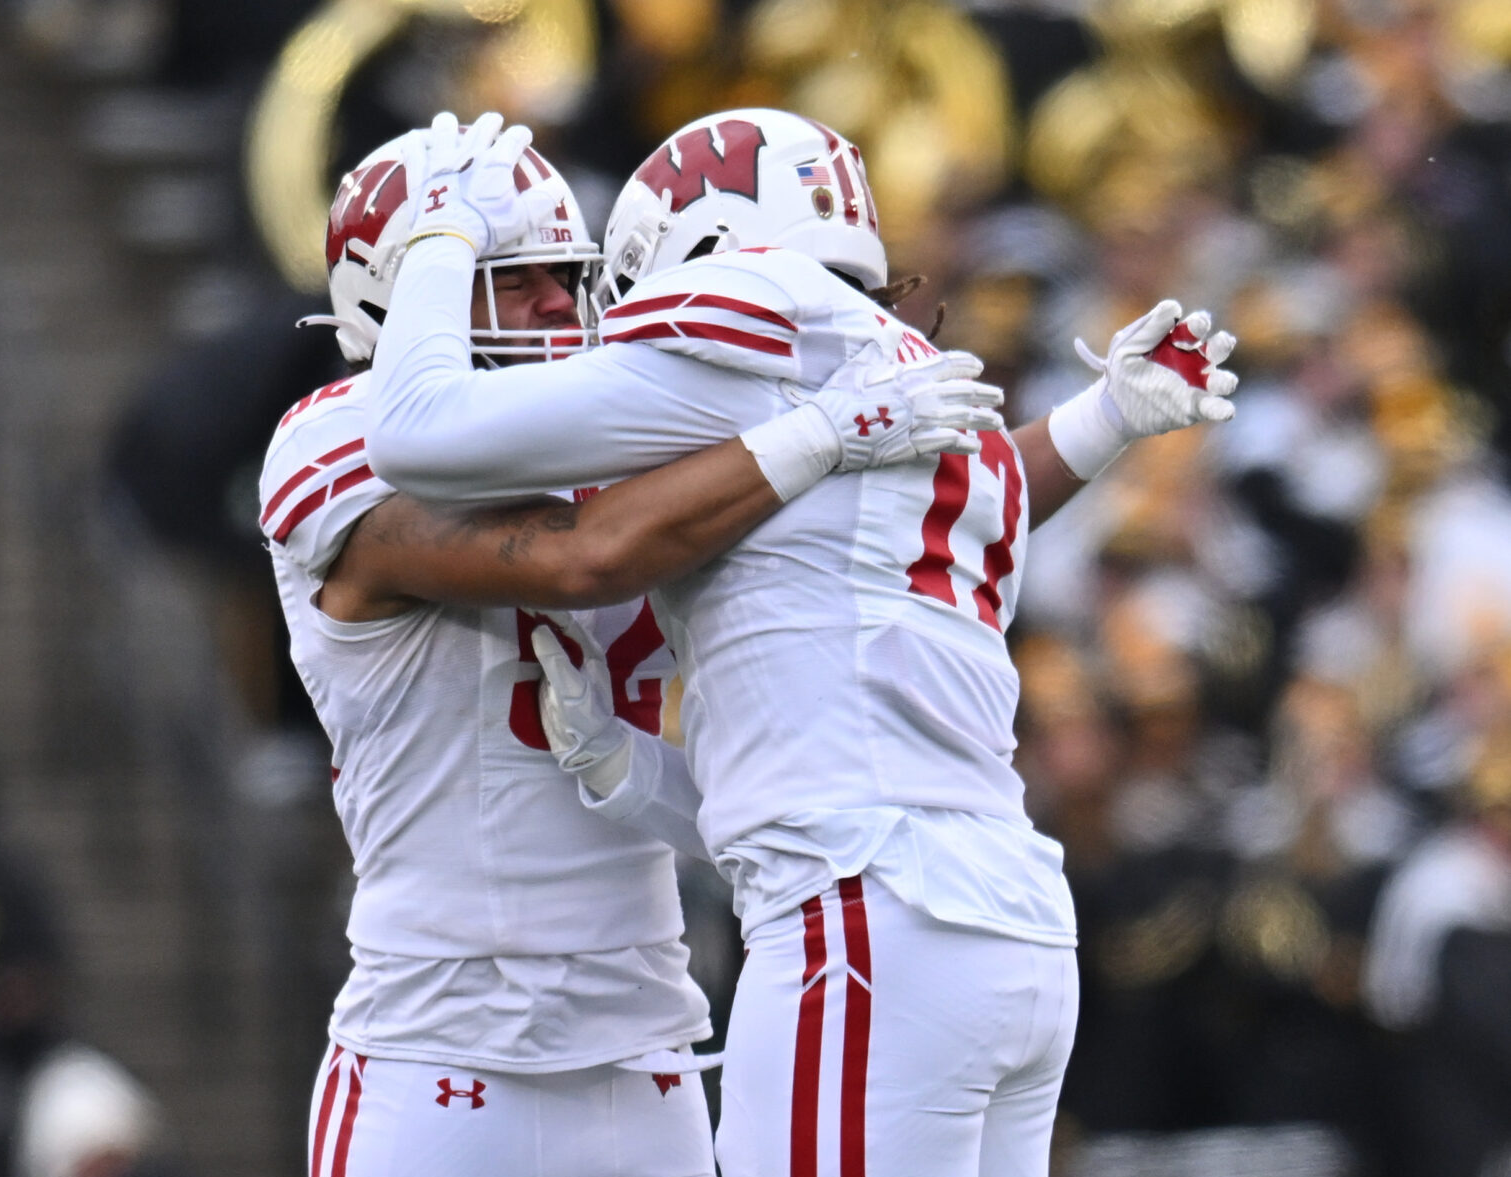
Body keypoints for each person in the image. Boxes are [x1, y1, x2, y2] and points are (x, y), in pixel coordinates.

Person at [362, 108, 1238, 1177]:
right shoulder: (914, 383)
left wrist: (441, 232)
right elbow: (841, 691)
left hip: (872, 924)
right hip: (1008, 932)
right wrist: (621, 764)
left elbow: (413, 432)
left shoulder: (755, 307)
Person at [261, 125, 1003, 1177]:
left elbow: (922, 519)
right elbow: (580, 559)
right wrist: (816, 432)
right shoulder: (338, 438)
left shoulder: (643, 434)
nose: (563, 307)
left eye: (569, 277)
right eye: (514, 281)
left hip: (644, 1050)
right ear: (404, 288)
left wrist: (1094, 422)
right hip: (433, 1047)